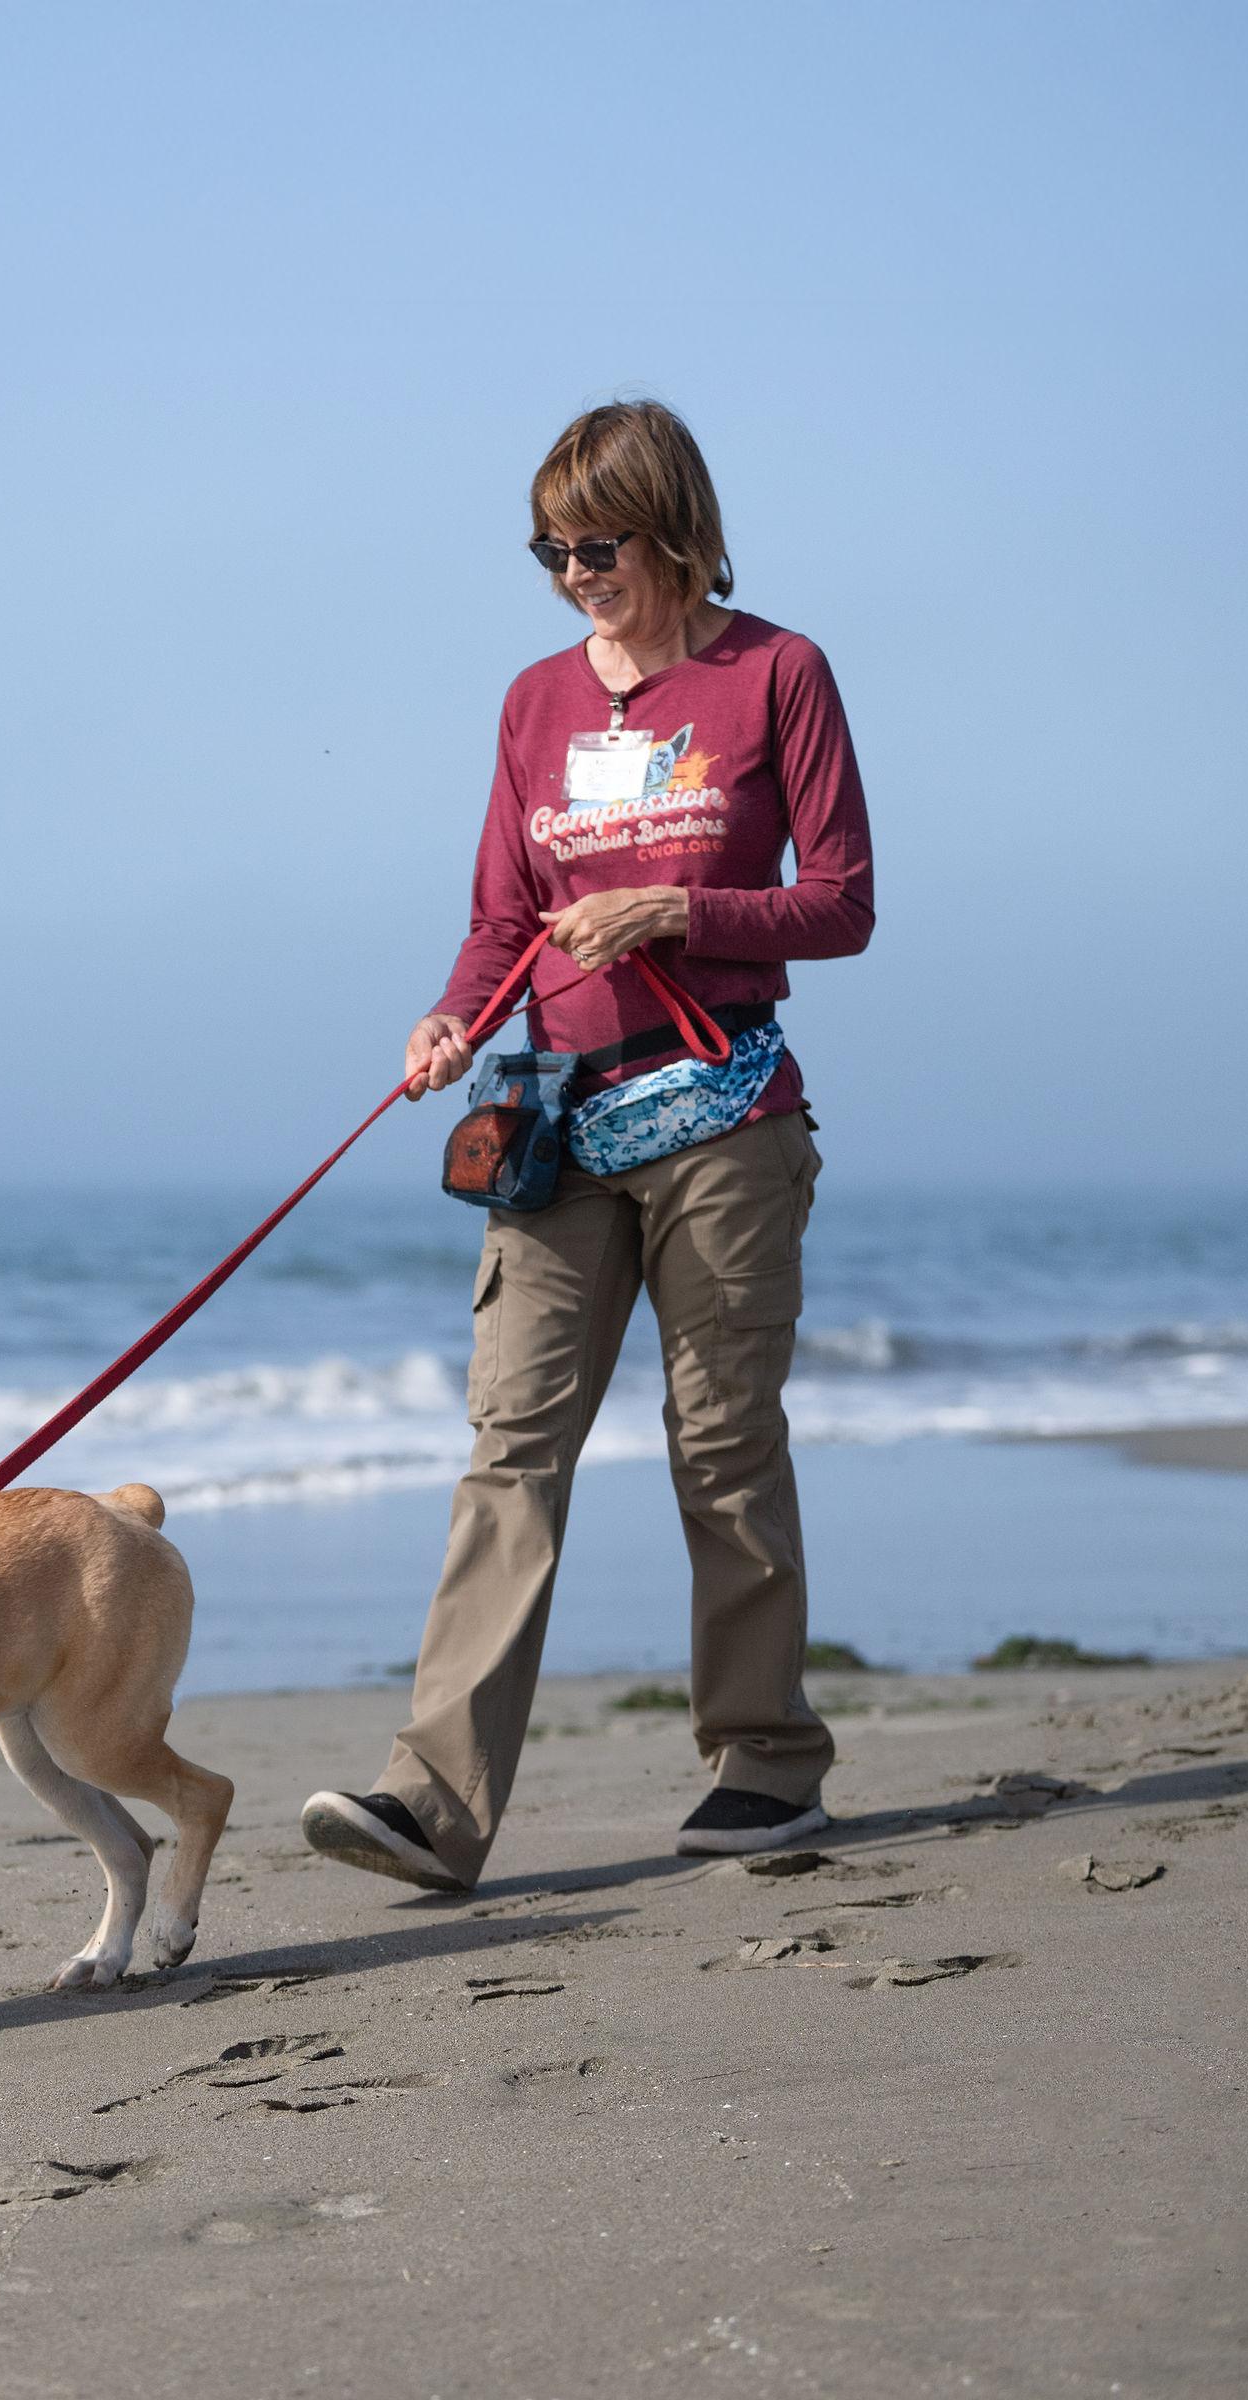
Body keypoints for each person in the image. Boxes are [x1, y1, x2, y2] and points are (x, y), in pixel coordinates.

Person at [304, 400, 875, 1891]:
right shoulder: (534, 702)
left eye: (599, 545)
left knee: (724, 1443)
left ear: (674, 531)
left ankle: (766, 1764)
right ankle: (434, 1805)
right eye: (550, 551)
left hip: (725, 1117)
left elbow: (844, 904)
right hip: (556, 1118)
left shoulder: (780, 674)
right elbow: (503, 917)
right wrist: (449, 1018)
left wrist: (678, 909)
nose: (575, 575)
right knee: (511, 1445)